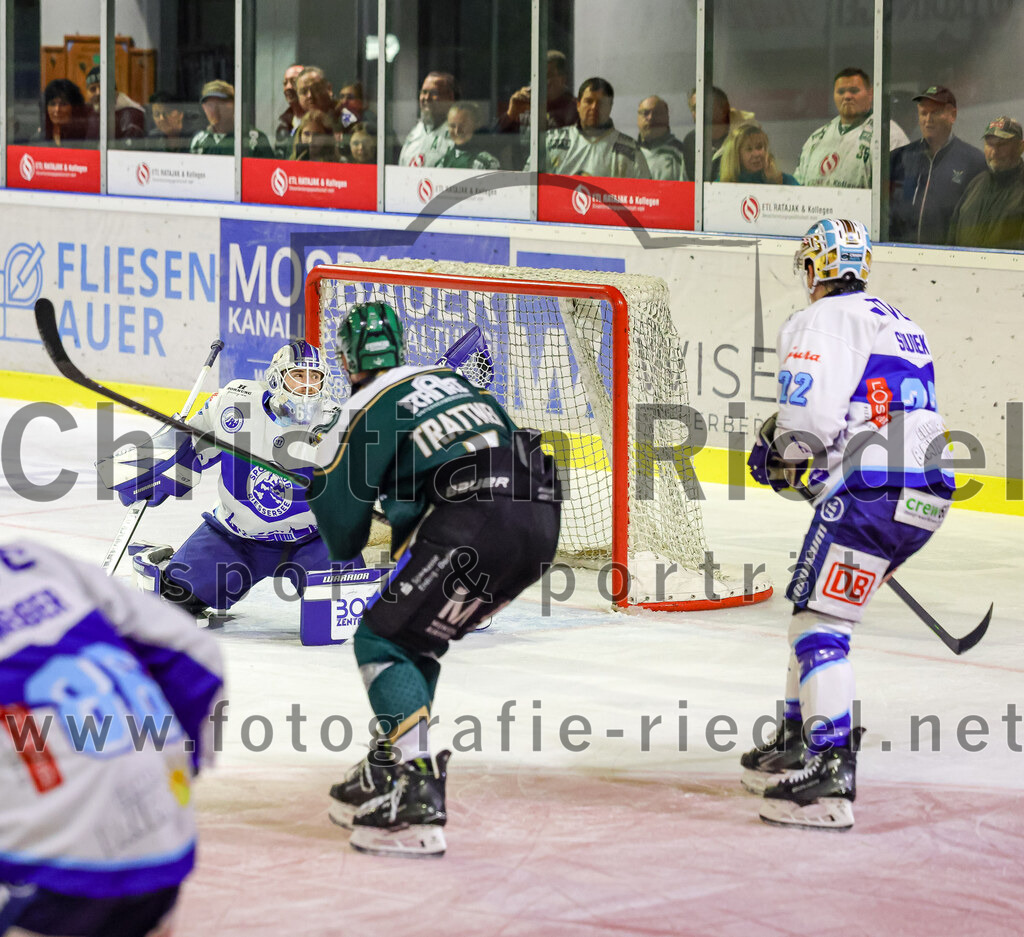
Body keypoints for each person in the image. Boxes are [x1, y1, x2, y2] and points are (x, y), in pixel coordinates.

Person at [309, 304, 561, 858]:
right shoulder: (452, 381)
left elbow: (343, 538)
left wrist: (322, 486)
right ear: (399, 349)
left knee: (380, 637)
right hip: (540, 521)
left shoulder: (360, 406)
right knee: (415, 636)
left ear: (346, 357)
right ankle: (389, 763)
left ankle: (414, 792)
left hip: (475, 514)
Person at [743, 218, 955, 831]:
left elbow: (806, 420)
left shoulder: (818, 320)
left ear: (814, 270)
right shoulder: (902, 322)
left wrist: (780, 455)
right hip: (925, 491)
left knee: (820, 626)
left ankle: (830, 772)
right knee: (813, 615)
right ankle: (796, 741)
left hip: (873, 490)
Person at [0, 538, 224, 936]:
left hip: (52, 863)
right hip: (162, 837)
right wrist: (171, 768)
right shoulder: (34, 561)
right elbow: (195, 654)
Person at [100, 341, 362, 620]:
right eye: (298, 375)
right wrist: (158, 468)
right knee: (173, 601)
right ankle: (171, 562)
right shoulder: (235, 403)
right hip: (236, 538)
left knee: (340, 608)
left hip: (312, 540)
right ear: (276, 378)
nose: (308, 385)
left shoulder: (337, 425)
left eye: (315, 377)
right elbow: (191, 450)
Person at [889, 86, 987, 244]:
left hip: (950, 258)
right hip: (900, 255)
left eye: (935, 112)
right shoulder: (898, 158)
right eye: (923, 113)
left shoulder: (974, 162)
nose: (928, 119)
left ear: (952, 115)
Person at [794, 67, 909, 188]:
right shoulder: (817, 138)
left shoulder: (889, 135)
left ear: (870, 94)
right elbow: (798, 186)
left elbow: (899, 191)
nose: (847, 96)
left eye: (854, 91)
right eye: (841, 92)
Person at [539, 77, 651, 178]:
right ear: (578, 105)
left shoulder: (630, 150)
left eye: (601, 103)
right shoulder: (551, 141)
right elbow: (528, 187)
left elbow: (645, 194)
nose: (594, 107)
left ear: (610, 107)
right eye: (589, 101)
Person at [948, 116, 1024, 250]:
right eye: (989, 144)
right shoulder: (975, 184)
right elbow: (951, 240)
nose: (994, 152)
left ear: (1020, 146)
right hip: (967, 269)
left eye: (1002, 145)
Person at [496, 49, 578, 134]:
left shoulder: (575, 110)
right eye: (537, 76)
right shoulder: (524, 105)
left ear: (563, 79)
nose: (541, 81)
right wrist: (510, 115)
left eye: (548, 76)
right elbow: (492, 140)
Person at [189, 79, 274, 157]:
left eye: (220, 103)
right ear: (204, 108)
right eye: (209, 105)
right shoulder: (199, 141)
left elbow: (268, 172)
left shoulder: (254, 139)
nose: (214, 109)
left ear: (233, 105)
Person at [681, 86, 742, 182]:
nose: (699, 113)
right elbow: (685, 184)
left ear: (723, 109)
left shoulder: (742, 140)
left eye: (704, 106)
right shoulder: (691, 141)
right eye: (695, 108)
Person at [398, 71, 457, 167]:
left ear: (450, 98)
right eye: (424, 92)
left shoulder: (457, 135)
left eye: (434, 93)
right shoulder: (415, 133)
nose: (426, 98)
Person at [718, 121, 798, 185]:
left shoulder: (786, 181)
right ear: (736, 156)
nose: (756, 154)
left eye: (759, 147)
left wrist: (773, 183)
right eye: (749, 149)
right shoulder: (720, 185)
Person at [84, 64, 146, 141]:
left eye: (103, 87)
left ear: (115, 91)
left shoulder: (131, 116)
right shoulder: (89, 112)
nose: (98, 93)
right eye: (93, 89)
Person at [636, 95, 686, 181]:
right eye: (645, 113)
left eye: (657, 113)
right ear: (638, 118)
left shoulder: (682, 155)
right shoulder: (627, 153)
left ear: (667, 118)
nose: (651, 117)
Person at [439, 102, 501, 170]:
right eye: (452, 126)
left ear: (476, 125)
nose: (457, 131)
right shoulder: (444, 158)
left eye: (462, 126)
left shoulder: (485, 163)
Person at [33, 78, 92, 146]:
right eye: (52, 104)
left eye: (63, 104)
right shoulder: (39, 138)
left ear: (74, 108)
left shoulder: (88, 137)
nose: (57, 109)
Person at [275, 62, 305, 148]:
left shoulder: (317, 123)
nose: (288, 87)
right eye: (285, 83)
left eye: (294, 82)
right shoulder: (283, 125)